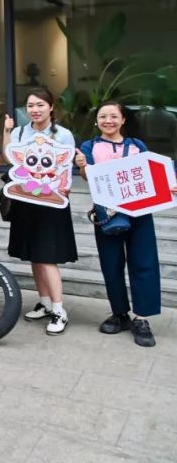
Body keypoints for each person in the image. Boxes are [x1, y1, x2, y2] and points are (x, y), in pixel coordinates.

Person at [74, 101, 171, 347]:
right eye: (103, 116)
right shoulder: (89, 147)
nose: (108, 121)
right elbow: (87, 177)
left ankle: (142, 318)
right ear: (97, 120)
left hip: (140, 213)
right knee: (111, 264)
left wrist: (168, 185)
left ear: (123, 119)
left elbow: (151, 175)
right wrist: (83, 167)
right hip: (106, 213)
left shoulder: (137, 145)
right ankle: (119, 314)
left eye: (113, 116)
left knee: (144, 263)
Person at [2, 87, 77, 335]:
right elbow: (11, 159)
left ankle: (59, 310)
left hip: (51, 202)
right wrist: (6, 132)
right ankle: (44, 303)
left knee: (47, 256)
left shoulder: (63, 134)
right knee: (35, 255)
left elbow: (65, 168)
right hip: (26, 201)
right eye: (30, 105)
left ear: (51, 107)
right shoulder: (20, 132)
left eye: (40, 105)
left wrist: (63, 188)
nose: (35, 110)